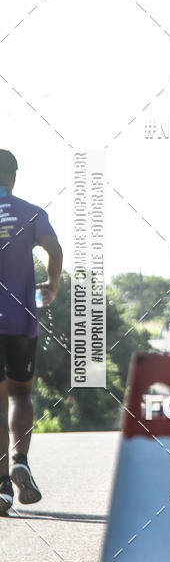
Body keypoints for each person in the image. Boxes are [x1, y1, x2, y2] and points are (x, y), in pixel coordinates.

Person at [0, 150, 63, 515]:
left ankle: (2, 485)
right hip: (21, 318)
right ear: (14, 176)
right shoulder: (31, 211)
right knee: (20, 393)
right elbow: (54, 248)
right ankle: (19, 458)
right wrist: (52, 285)